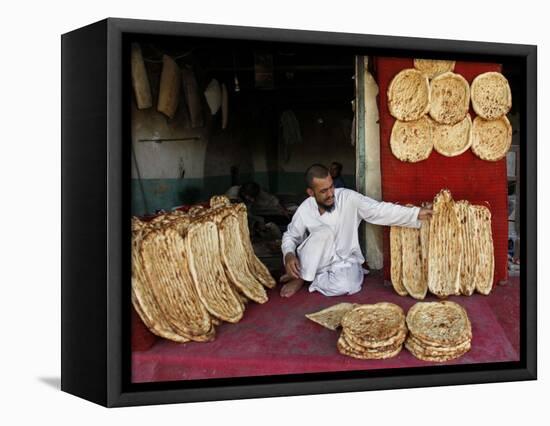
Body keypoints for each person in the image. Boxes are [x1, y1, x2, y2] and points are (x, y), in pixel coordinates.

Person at [279, 164, 433, 298]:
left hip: (343, 261)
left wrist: (414, 213)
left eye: (331, 186)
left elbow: (378, 210)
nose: (331, 194)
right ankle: (300, 278)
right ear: (311, 193)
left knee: (349, 286)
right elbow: (291, 236)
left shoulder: (348, 198)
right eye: (324, 191)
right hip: (317, 260)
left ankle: (309, 277)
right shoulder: (305, 208)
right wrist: (289, 254)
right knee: (323, 233)